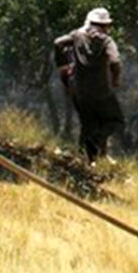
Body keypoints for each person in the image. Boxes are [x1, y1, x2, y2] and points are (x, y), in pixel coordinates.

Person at [54, 8, 124, 163]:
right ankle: (94, 144)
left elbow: (57, 43)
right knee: (115, 122)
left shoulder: (76, 36)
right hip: (102, 92)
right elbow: (115, 61)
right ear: (104, 26)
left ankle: (88, 160)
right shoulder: (106, 41)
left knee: (88, 124)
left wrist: (63, 66)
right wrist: (116, 80)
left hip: (79, 92)